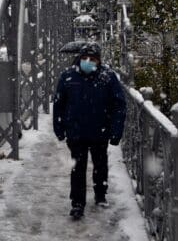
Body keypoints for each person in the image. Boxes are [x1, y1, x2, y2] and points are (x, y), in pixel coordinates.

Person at [53, 42, 126, 220]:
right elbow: (59, 103)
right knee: (77, 168)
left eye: (92, 59)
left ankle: (100, 194)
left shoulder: (108, 77)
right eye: (84, 58)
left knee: (100, 165)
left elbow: (118, 104)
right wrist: (59, 127)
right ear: (79, 58)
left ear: (99, 61)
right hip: (76, 132)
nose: (88, 61)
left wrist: (116, 131)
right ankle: (77, 203)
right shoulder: (68, 76)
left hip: (99, 131)